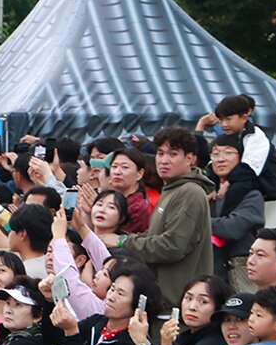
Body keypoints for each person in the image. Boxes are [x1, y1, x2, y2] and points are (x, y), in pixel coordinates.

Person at [106, 128, 214, 301]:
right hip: (164, 298)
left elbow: (172, 246)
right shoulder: (172, 189)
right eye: (160, 153)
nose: (164, 160)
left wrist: (123, 241)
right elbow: (154, 236)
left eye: (173, 154)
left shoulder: (190, 192)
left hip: (177, 303)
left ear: (190, 159)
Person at [198, 93, 276, 202]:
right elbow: (209, 162)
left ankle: (225, 217)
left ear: (244, 117)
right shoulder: (227, 137)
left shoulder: (255, 136)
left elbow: (249, 168)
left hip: (264, 183)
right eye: (220, 120)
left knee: (237, 188)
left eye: (228, 119)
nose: (224, 124)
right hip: (237, 181)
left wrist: (228, 183)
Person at [209, 134, 265, 292]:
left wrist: (197, 220)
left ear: (240, 158)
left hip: (239, 270)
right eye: (215, 154)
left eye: (228, 153)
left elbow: (231, 228)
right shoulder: (206, 192)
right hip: (210, 271)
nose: (221, 159)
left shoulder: (252, 194)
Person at [108, 148, 154, 233]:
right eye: (114, 166)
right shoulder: (110, 199)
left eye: (125, 167)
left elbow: (118, 240)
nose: (117, 172)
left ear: (139, 174)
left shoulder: (137, 208)